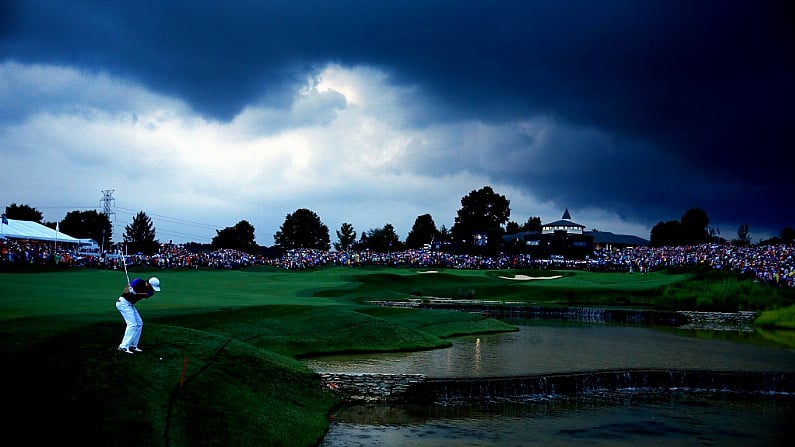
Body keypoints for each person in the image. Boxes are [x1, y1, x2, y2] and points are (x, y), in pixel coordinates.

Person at [116, 276, 161, 354]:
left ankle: (133, 345)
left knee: (139, 323)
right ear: (149, 284)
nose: (153, 289)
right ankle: (123, 346)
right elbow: (125, 290)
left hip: (129, 304)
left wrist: (135, 292)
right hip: (122, 303)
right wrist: (129, 289)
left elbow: (145, 295)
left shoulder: (151, 292)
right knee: (132, 324)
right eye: (153, 287)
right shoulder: (138, 281)